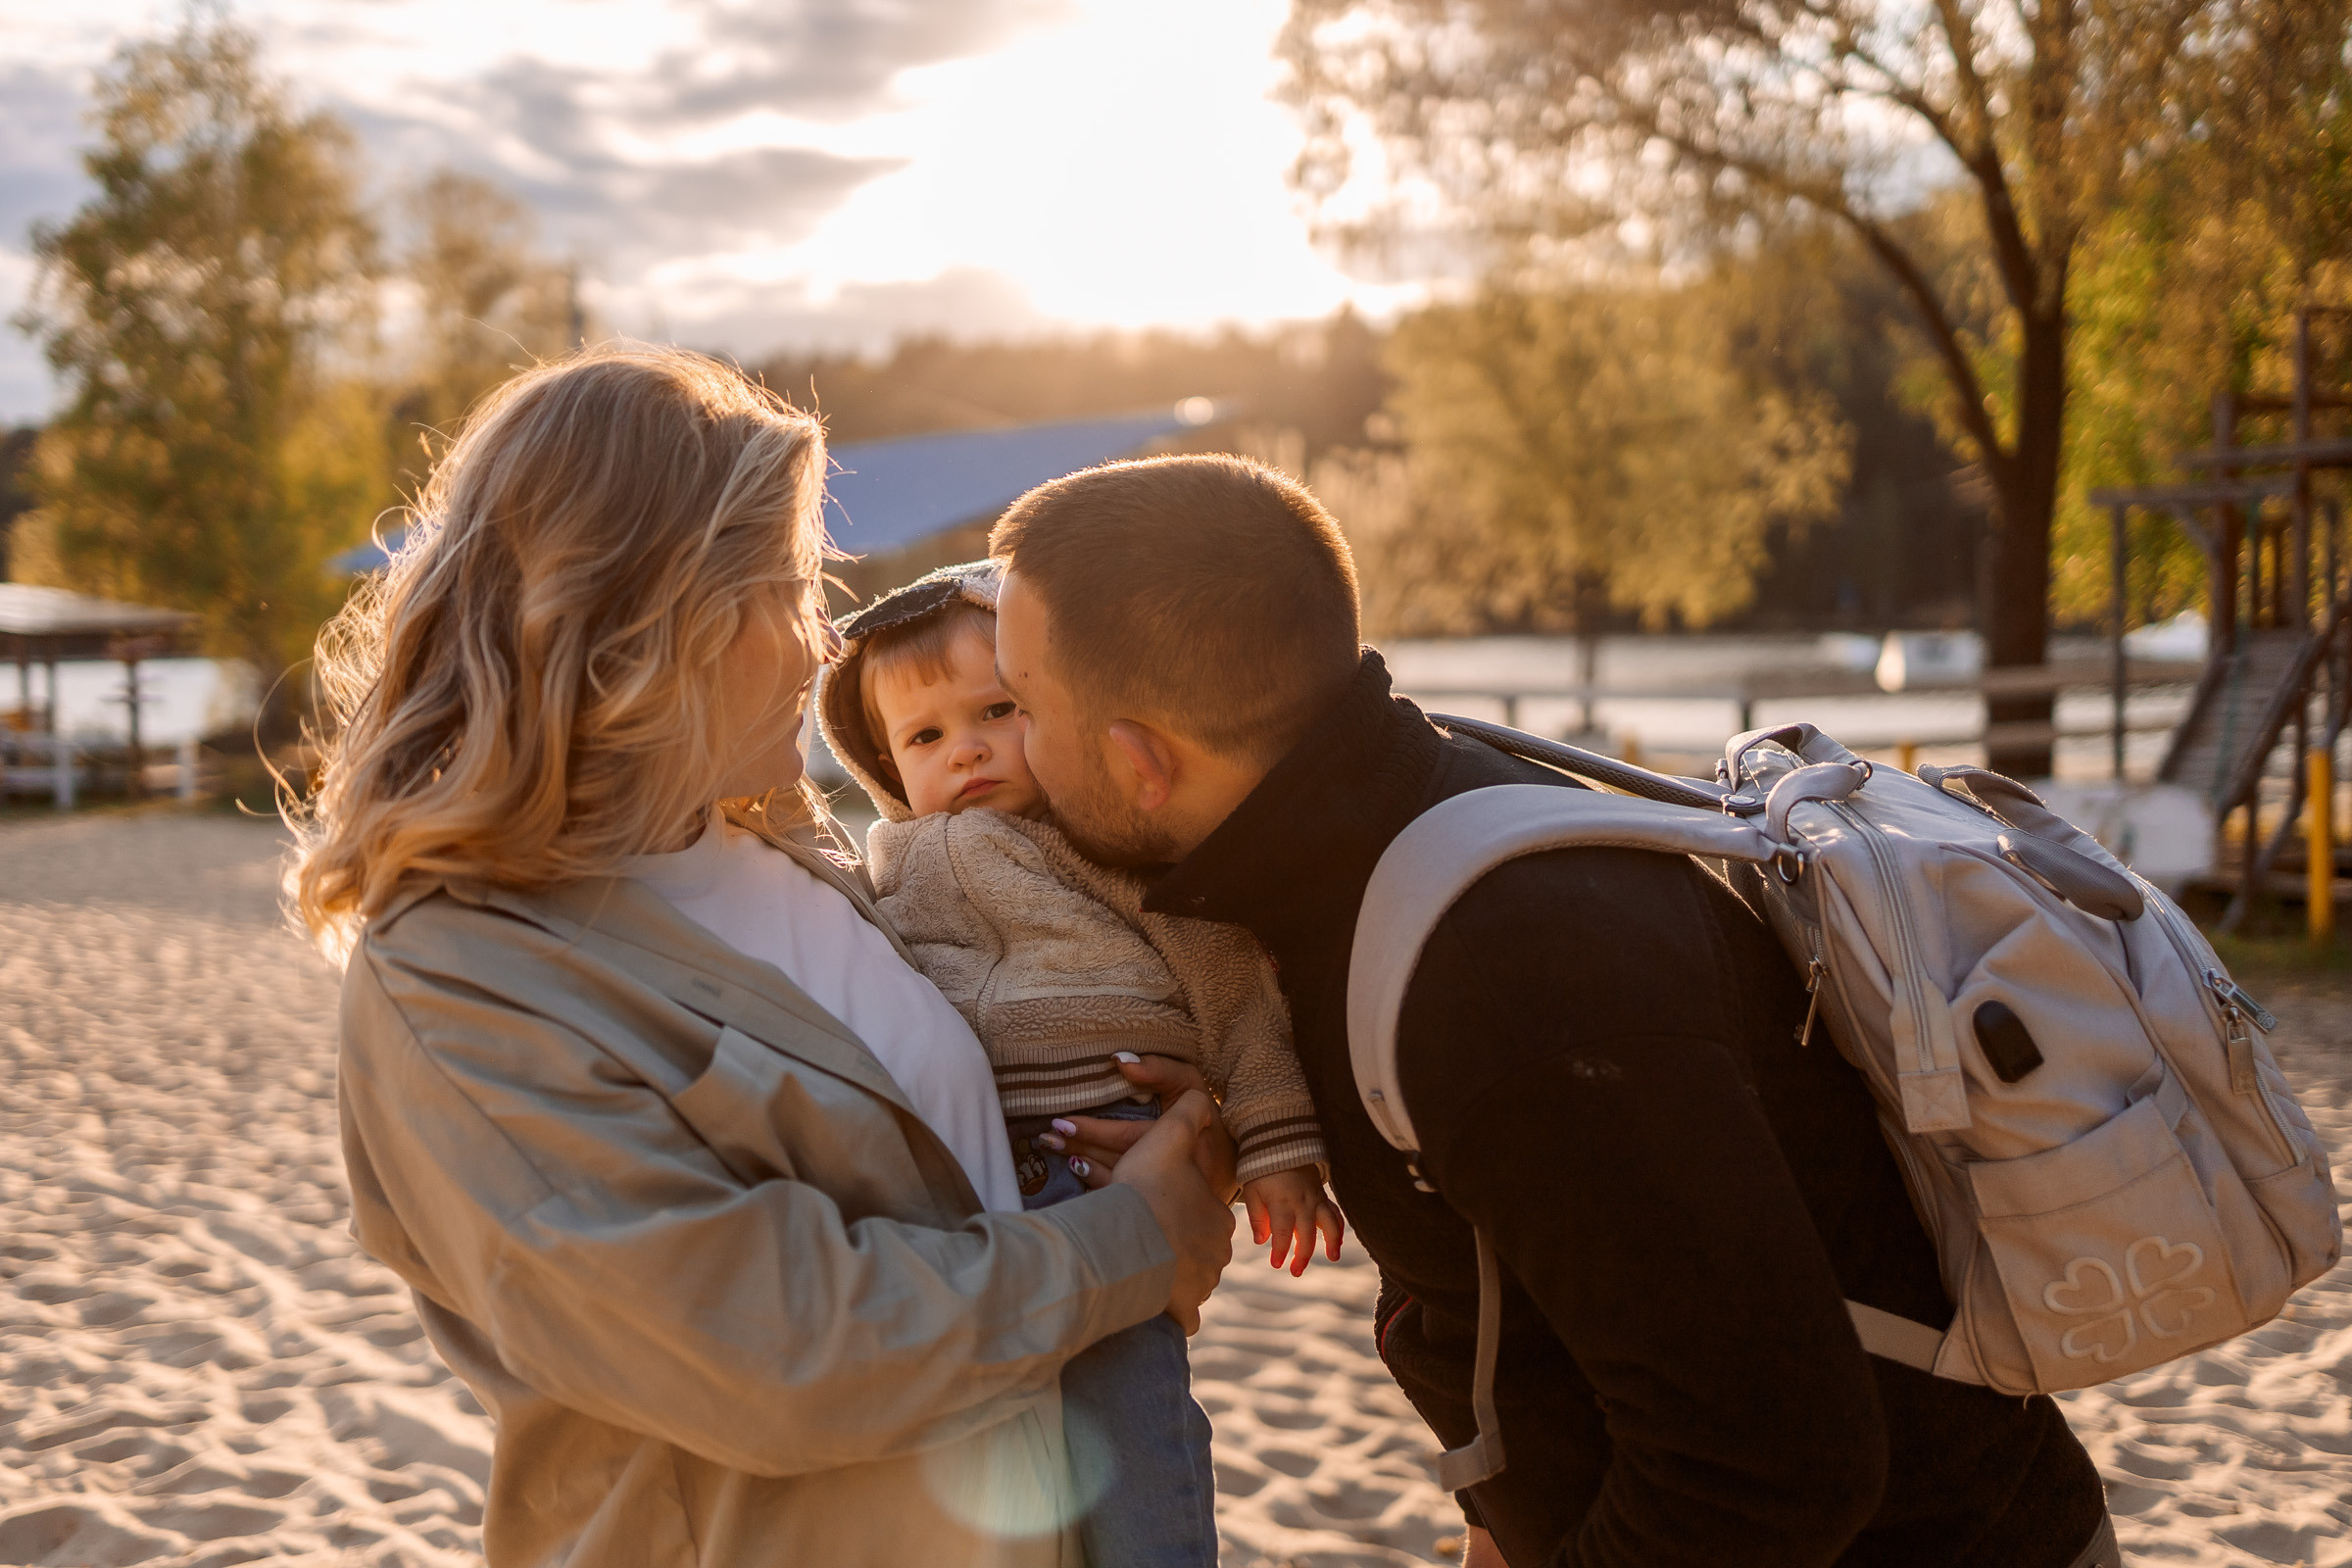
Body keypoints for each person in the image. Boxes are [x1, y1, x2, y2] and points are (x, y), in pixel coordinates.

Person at [985, 453, 2122, 1568]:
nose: (1010, 756)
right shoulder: (1403, 815)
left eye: (1021, 706)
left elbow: (1770, 1468)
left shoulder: (1497, 967)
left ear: (1142, 761)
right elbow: (1528, 1263)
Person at [289, 345, 1234, 1567]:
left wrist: (1143, 1113)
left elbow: (947, 1135)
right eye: (793, 586)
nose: (825, 638)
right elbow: (781, 1353)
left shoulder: (781, 845)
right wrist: (1129, 1247)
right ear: (662, 617)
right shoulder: (461, 982)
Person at [813, 558, 1344, 1566]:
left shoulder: (1107, 842)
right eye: (924, 737)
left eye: (998, 710)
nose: (964, 751)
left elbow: (1233, 989)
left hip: (1118, 1156)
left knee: (1133, 1417)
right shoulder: (887, 865)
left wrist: (1277, 1140)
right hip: (986, 1190)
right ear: (882, 762)